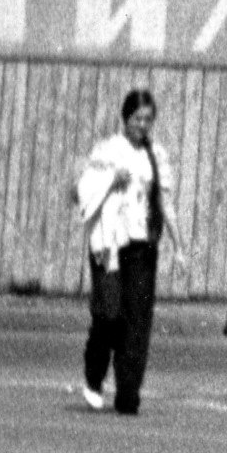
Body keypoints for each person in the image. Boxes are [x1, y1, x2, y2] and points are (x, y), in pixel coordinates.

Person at [73, 88, 170, 417]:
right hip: (110, 242)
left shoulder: (155, 154)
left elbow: (163, 200)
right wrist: (112, 179)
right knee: (110, 314)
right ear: (125, 119)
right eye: (136, 119)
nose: (142, 125)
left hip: (142, 244)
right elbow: (82, 190)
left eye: (148, 119)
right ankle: (94, 376)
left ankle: (129, 391)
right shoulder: (108, 149)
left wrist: (177, 244)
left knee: (137, 321)